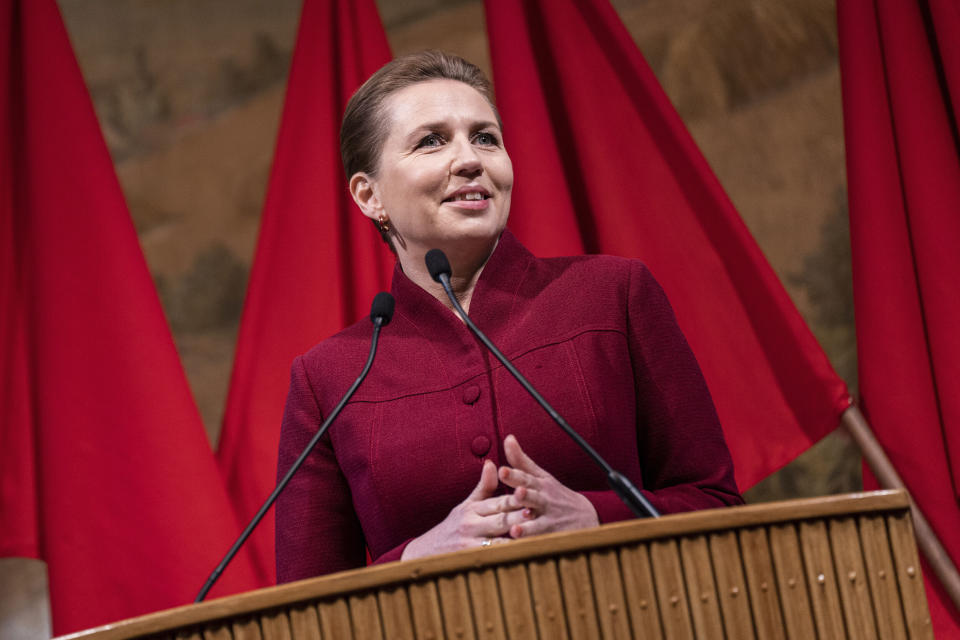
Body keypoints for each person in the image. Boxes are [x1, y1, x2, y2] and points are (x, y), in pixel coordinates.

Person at [275, 51, 742, 583]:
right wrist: (414, 560)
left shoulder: (612, 295)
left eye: (485, 138)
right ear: (369, 195)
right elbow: (305, 600)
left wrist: (597, 517)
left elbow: (718, 505)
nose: (471, 159)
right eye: (431, 141)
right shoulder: (328, 378)